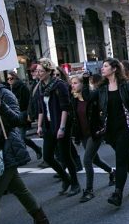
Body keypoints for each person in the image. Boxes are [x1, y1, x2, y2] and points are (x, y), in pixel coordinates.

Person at [0, 73, 49, 224]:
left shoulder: (3, 93)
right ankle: (41, 219)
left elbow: (18, 119)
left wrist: (1, 106)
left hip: (5, 150)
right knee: (18, 188)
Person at [96, 58, 129, 207]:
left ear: (114, 69)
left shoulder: (126, 86)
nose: (102, 68)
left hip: (126, 128)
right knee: (126, 156)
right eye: (103, 66)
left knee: (120, 159)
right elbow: (91, 102)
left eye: (105, 66)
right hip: (111, 130)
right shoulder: (102, 88)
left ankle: (117, 193)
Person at [36, 58, 81, 197]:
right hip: (49, 125)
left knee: (65, 156)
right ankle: (65, 178)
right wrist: (39, 126)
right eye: (37, 71)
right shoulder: (41, 86)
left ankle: (75, 183)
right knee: (48, 156)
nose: (38, 73)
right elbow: (41, 109)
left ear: (49, 71)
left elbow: (65, 108)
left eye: (41, 71)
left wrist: (62, 128)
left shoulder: (59, 85)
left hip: (61, 124)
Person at [69, 75, 115, 203]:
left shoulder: (91, 96)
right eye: (71, 83)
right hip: (83, 134)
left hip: (95, 133)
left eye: (75, 83)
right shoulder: (74, 99)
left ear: (82, 84)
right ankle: (112, 172)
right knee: (96, 159)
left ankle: (89, 190)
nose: (73, 85)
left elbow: (102, 110)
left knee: (87, 160)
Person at [6, 71, 43, 160]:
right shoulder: (8, 89)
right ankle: (37, 148)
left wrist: (29, 115)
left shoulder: (22, 87)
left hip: (22, 115)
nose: (9, 80)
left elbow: (27, 102)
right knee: (20, 137)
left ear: (15, 78)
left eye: (11, 78)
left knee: (21, 138)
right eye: (8, 79)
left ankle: (24, 156)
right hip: (13, 116)